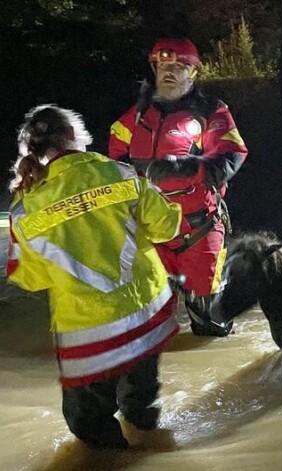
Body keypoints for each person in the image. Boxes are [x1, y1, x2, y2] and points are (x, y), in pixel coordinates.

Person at [6, 105, 182, 449]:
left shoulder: (25, 210)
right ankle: (154, 449)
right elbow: (167, 227)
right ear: (75, 136)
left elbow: (29, 278)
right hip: (147, 315)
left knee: (89, 423)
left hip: (90, 334)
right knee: (141, 405)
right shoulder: (122, 175)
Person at [109, 38, 249, 337]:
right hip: (149, 229)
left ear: (193, 72)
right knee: (145, 321)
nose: (168, 72)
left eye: (178, 66)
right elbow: (114, 161)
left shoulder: (211, 111)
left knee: (210, 321)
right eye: (163, 66)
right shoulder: (135, 117)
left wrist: (184, 167)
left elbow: (231, 156)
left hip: (198, 228)